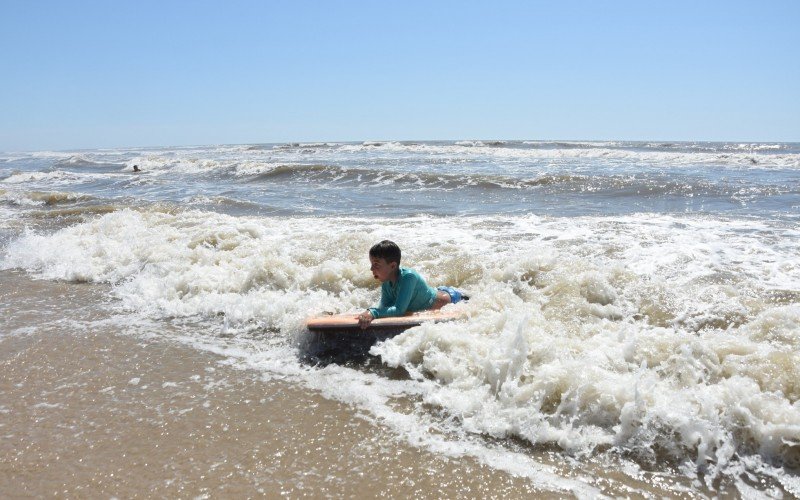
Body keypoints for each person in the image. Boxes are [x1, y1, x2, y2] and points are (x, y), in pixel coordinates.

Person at [358, 240, 467, 329]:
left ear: (392, 266)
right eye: (372, 264)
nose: (371, 268)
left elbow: (398, 311)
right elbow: (384, 308)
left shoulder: (409, 277)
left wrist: (372, 312)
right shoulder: (386, 283)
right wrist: (371, 315)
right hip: (434, 293)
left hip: (453, 298)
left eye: (376, 264)